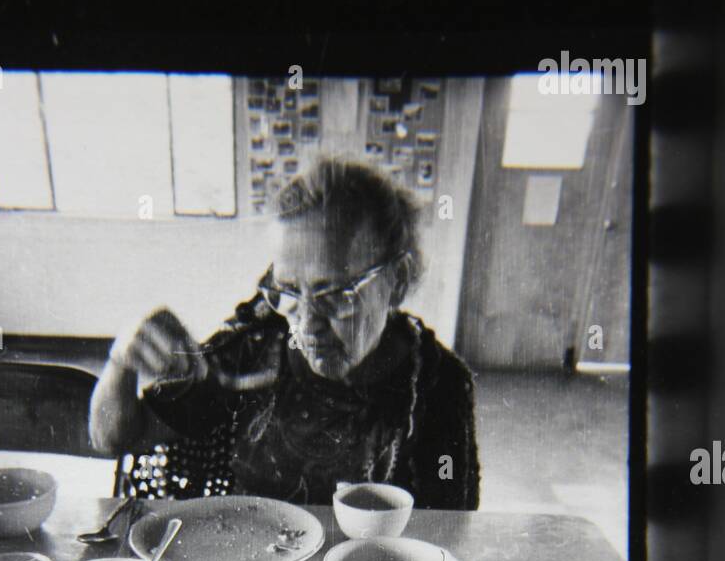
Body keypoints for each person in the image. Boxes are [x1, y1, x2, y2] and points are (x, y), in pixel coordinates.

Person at [89, 158, 480, 509]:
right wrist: (121, 362)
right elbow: (112, 439)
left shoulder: (435, 387)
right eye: (289, 291)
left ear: (397, 280)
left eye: (336, 295)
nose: (307, 323)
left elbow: (449, 531)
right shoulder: (256, 347)